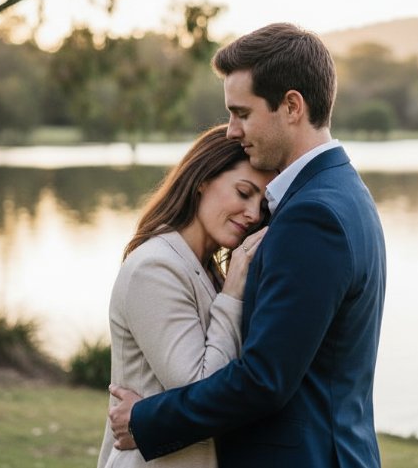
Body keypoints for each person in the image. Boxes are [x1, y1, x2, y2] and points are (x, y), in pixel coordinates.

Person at [108, 23, 388, 468]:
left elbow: (263, 380)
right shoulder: (337, 192)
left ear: (291, 106)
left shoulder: (313, 215)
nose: (231, 131)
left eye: (242, 113)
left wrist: (145, 420)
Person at [97, 124, 276, 468]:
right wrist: (234, 292)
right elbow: (202, 387)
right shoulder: (155, 268)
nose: (253, 214)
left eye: (262, 205)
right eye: (243, 192)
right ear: (202, 180)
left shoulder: (203, 268)